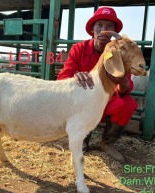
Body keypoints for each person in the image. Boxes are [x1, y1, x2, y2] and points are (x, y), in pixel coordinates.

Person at [57, 6, 138, 163]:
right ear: (92, 29)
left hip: (107, 102)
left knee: (127, 104)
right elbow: (62, 78)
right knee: (82, 104)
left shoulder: (120, 54)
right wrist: (74, 77)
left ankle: (107, 143)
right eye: (99, 25)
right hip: (83, 104)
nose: (104, 30)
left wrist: (122, 80)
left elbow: (125, 91)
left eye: (109, 26)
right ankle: (84, 139)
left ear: (114, 32)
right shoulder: (78, 49)